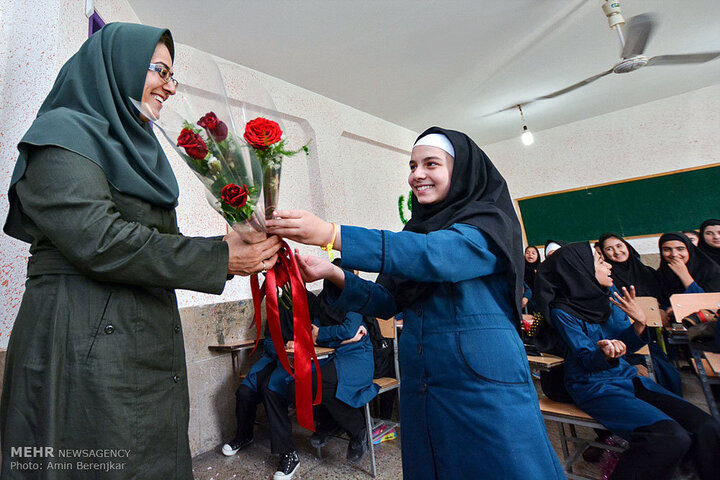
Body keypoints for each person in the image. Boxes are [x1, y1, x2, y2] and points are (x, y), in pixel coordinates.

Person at [0, 23, 281, 480]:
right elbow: (100, 240)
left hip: (142, 340)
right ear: (117, 66)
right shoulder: (61, 134)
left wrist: (232, 242)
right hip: (81, 346)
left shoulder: (135, 145)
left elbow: (148, 240)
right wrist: (219, 258)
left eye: (173, 76)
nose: (170, 88)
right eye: (160, 71)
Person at [266, 127, 564, 479]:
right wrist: (333, 273)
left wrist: (333, 234)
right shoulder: (416, 231)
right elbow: (387, 301)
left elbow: (437, 257)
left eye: (431, 164)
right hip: (425, 378)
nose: (417, 174)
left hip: (482, 380)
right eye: (412, 165)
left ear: (461, 171)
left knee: (505, 466)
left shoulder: (487, 223)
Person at [534, 242, 720, 480]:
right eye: (600, 261)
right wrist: (604, 353)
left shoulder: (609, 299)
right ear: (581, 270)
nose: (608, 265)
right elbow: (587, 360)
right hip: (594, 385)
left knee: (708, 427)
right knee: (669, 436)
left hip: (628, 378)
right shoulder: (563, 312)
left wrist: (640, 324)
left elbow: (630, 345)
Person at [306, 262, 379, 463]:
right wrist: (344, 337)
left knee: (322, 381)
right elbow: (314, 333)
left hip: (358, 357)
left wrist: (327, 334)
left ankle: (358, 430)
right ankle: (331, 423)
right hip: (334, 353)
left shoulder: (354, 298)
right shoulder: (323, 300)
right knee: (307, 379)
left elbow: (340, 330)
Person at [597, 234, 681, 395]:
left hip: (653, 333)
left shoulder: (647, 272)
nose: (616, 252)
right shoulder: (608, 280)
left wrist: (662, 309)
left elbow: (663, 299)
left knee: (667, 370)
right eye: (609, 249)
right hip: (629, 337)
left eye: (619, 246)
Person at [656, 232, 720, 311]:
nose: (674, 254)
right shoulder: (661, 273)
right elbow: (661, 302)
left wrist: (684, 275)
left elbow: (709, 304)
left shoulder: (710, 270)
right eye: (667, 249)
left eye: (680, 249)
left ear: (689, 250)